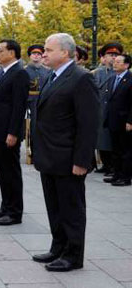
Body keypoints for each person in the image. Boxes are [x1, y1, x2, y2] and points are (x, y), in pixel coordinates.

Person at [32, 33, 99, 272]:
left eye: (49, 50)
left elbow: (88, 124)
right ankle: (58, 246)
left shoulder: (81, 79)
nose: (44, 54)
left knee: (71, 209)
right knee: (54, 206)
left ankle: (73, 255)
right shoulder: (52, 75)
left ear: (66, 52)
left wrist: (82, 160)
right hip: (49, 156)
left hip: (68, 158)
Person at [0, 39, 29, 226]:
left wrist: (13, 133)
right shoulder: (4, 72)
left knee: (11, 172)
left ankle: (15, 212)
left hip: (8, 133)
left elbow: (18, 107)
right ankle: (5, 206)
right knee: (3, 171)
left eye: (1, 51)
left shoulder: (19, 73)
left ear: (12, 53)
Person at [93, 43, 122, 175]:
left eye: (116, 55)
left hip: (115, 112)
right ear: (104, 57)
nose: (113, 58)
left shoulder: (120, 73)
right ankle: (106, 164)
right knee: (101, 139)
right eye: (110, 55)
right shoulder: (97, 73)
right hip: (100, 111)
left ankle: (114, 167)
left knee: (113, 141)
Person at [103, 54, 132, 187]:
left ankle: (125, 177)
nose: (115, 63)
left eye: (119, 62)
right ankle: (117, 174)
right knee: (115, 150)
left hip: (125, 121)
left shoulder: (130, 79)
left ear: (126, 65)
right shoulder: (113, 78)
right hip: (113, 120)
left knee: (126, 150)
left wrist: (130, 121)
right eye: (114, 61)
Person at [25, 45, 50, 141]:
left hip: (44, 103)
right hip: (29, 103)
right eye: (34, 54)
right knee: (31, 129)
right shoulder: (24, 71)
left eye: (39, 54)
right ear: (30, 56)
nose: (36, 56)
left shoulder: (48, 71)